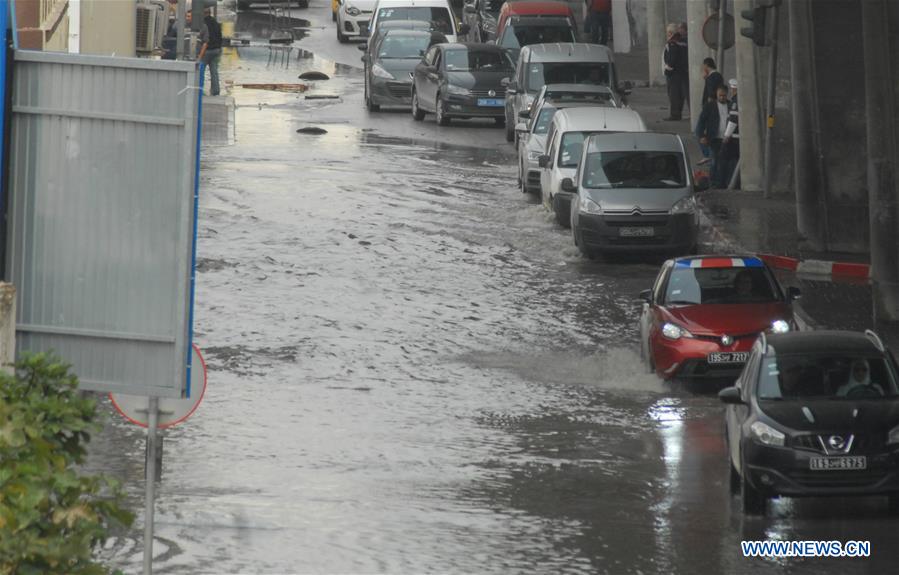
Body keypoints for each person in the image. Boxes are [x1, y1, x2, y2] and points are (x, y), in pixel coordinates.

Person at [695, 85, 729, 187]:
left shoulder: (731, 105)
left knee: (724, 161)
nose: (722, 97)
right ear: (716, 95)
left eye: (724, 95)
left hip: (727, 139)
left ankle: (722, 182)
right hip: (714, 138)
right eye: (720, 95)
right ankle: (713, 182)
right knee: (715, 160)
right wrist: (701, 136)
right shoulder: (710, 106)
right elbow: (701, 121)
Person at [662, 23, 689, 121]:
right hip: (682, 72)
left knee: (674, 94)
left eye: (668, 32)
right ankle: (678, 113)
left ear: (670, 33)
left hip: (673, 73)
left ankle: (675, 115)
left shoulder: (672, 43)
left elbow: (671, 59)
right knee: (681, 94)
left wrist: (667, 70)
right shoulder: (683, 42)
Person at [719, 78, 741, 189]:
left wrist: (727, 135)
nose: (732, 91)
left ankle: (728, 183)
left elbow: (733, 119)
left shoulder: (735, 101)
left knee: (728, 160)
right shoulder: (737, 99)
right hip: (737, 137)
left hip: (734, 138)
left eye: (733, 89)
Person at [198, 8, 222, 97]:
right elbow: (220, 36)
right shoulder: (215, 22)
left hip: (206, 50)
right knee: (214, 71)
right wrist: (219, 48)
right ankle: (215, 91)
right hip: (216, 50)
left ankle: (200, 89)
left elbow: (203, 38)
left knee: (201, 70)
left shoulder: (202, 24)